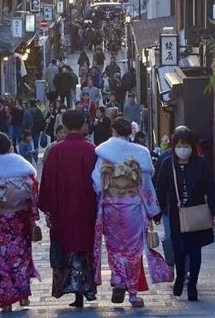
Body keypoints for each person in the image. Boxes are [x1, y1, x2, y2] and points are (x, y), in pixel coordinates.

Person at [92, 117, 168, 308]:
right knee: (134, 250)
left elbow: (97, 183)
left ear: (113, 131)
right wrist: (153, 210)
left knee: (114, 248)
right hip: (133, 207)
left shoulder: (104, 152)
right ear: (130, 133)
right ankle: (133, 294)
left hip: (111, 208)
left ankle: (118, 280)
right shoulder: (140, 153)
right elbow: (146, 186)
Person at [153, 126, 215, 302]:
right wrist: (156, 212)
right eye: (179, 145)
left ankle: (193, 285)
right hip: (175, 213)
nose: (183, 149)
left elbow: (210, 188)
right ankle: (180, 276)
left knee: (195, 250)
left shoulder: (200, 164)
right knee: (178, 249)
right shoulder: (168, 163)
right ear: (174, 146)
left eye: (186, 145)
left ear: (192, 146)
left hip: (196, 212)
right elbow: (160, 189)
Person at [39, 110, 99, 308]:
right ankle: (85, 289)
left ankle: (68, 287)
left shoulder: (56, 151)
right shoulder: (92, 150)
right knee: (84, 245)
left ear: (63, 125)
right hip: (86, 209)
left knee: (66, 246)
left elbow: (46, 182)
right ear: (83, 126)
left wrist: (48, 208)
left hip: (62, 210)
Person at [0, 132, 40, 312]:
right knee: (22, 257)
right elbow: (34, 193)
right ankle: (23, 296)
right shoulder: (21, 167)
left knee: (3, 260)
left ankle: (6, 301)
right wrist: (32, 218)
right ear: (10, 147)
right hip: (20, 220)